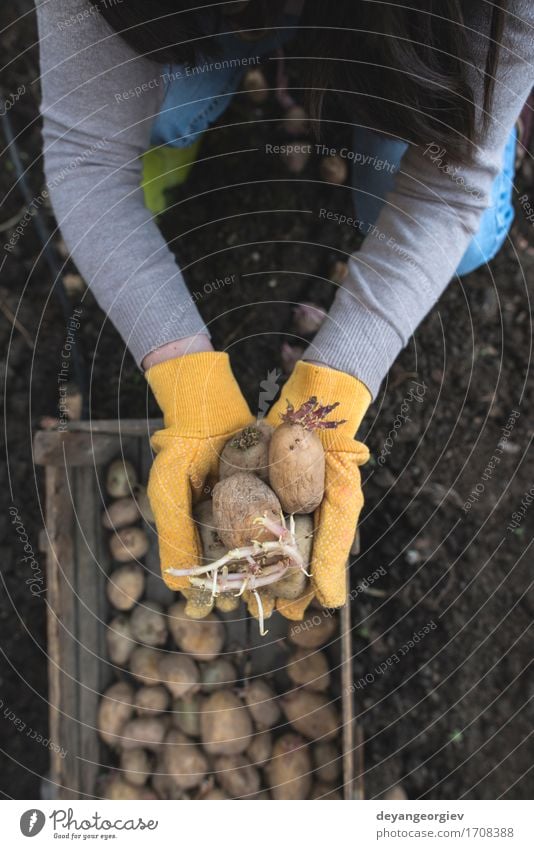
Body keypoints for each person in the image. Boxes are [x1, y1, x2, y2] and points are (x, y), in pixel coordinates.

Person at [35, 0, 533, 619]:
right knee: (159, 118)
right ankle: (247, 56)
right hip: (214, 16)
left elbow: (451, 186)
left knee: (474, 231)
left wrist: (343, 375)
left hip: (408, 29)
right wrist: (183, 376)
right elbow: (88, 157)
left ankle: (359, 85)